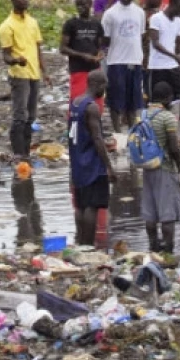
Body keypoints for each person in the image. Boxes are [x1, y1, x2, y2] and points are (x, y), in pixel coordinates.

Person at [0, 0, 50, 160]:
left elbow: (38, 48)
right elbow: (6, 56)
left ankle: (26, 152)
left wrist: (45, 71)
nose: (25, 1)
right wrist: (16, 60)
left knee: (31, 116)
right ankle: (18, 153)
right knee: (20, 115)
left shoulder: (33, 22)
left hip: (34, 73)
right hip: (19, 75)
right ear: (13, 0)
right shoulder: (6, 26)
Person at [68, 70, 114, 246]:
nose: (104, 91)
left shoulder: (75, 103)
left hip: (77, 160)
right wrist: (109, 166)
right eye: (104, 87)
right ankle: (88, 245)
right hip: (91, 163)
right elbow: (97, 138)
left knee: (80, 204)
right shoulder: (91, 107)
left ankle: (81, 243)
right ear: (98, 85)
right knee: (92, 205)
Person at [140, 82, 180, 254]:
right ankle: (168, 250)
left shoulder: (143, 114)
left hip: (147, 167)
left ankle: (153, 247)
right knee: (168, 214)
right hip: (164, 167)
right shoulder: (167, 117)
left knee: (150, 213)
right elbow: (173, 147)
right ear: (168, 98)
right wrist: (178, 164)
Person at [148, 0, 180, 139]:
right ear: (172, 4)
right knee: (157, 103)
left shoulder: (179, 22)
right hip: (157, 66)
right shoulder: (156, 19)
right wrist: (174, 56)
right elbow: (155, 44)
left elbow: (179, 45)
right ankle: (156, 133)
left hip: (172, 66)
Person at [101, 0, 146, 133]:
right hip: (116, 61)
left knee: (134, 100)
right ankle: (117, 131)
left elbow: (141, 35)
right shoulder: (110, 13)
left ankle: (132, 130)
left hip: (135, 60)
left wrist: (142, 57)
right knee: (116, 99)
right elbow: (105, 39)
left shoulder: (139, 12)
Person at [60, 0, 103, 106]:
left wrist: (100, 54)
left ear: (90, 4)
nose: (80, 8)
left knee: (96, 104)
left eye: (83, 5)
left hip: (95, 70)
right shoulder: (70, 24)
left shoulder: (96, 24)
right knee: (78, 103)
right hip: (78, 70)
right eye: (78, 5)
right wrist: (82, 55)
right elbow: (63, 48)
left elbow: (100, 46)